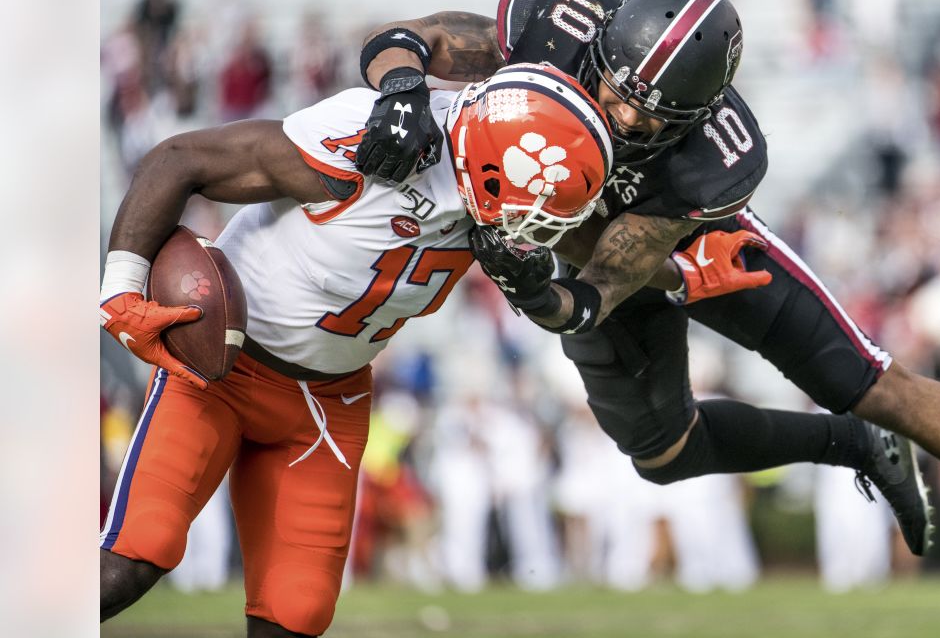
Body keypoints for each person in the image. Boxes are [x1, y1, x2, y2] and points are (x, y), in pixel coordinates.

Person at [356, 0, 940, 637]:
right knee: (660, 458)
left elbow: (611, 275)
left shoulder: (716, 157)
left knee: (875, 380)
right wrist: (399, 88)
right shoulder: (549, 19)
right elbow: (412, 40)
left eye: (654, 114)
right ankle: (851, 448)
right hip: (577, 243)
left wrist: (551, 295)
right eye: (622, 92)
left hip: (693, 252)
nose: (627, 117)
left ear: (698, 115)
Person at [98, 62, 612, 637]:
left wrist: (682, 273)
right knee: (138, 553)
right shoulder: (372, 141)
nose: (532, 229)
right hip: (220, 370)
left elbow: (597, 253)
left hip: (328, 403)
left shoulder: (494, 172)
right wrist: (120, 288)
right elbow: (179, 159)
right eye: (528, 208)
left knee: (296, 612)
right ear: (491, 166)